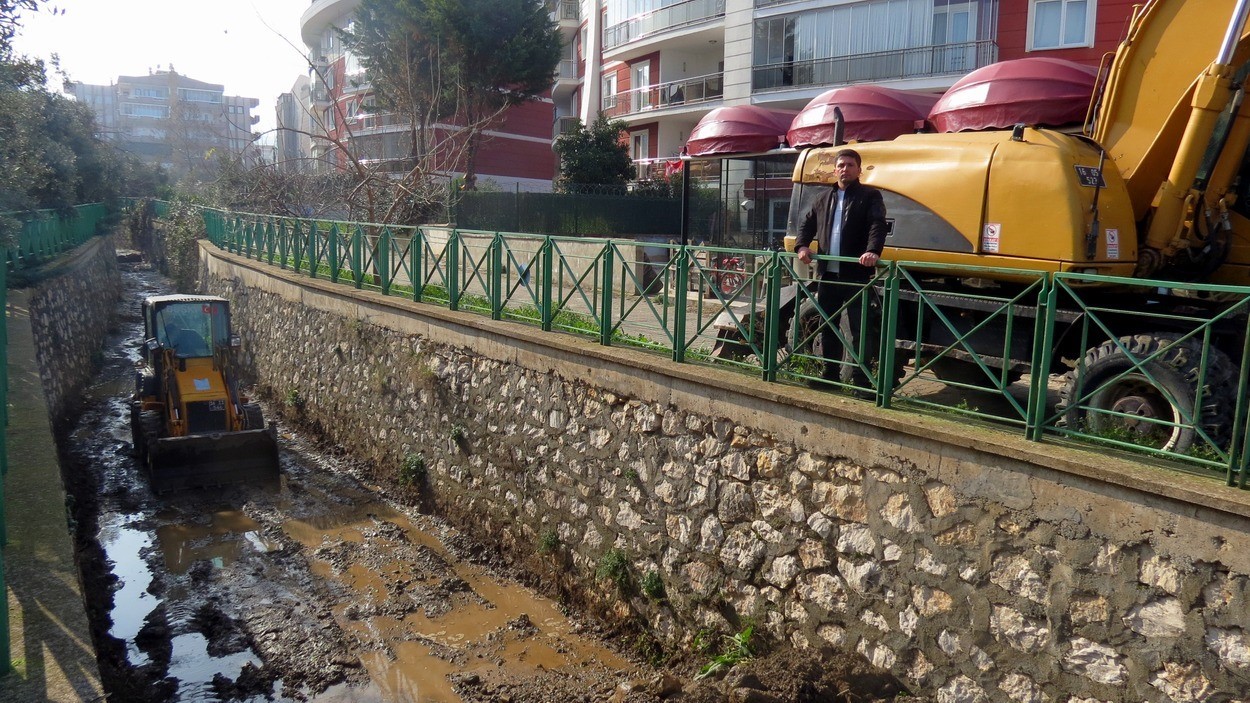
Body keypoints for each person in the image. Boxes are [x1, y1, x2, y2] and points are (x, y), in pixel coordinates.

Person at [793, 148, 888, 391]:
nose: (845, 169)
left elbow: (877, 225)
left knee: (858, 329)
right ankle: (830, 375)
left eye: (850, 165)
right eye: (841, 165)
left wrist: (873, 251)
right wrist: (802, 246)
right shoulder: (823, 198)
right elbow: (807, 223)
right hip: (828, 273)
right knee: (827, 324)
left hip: (855, 273)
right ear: (835, 170)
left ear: (859, 169)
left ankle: (861, 382)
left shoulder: (870, 196)